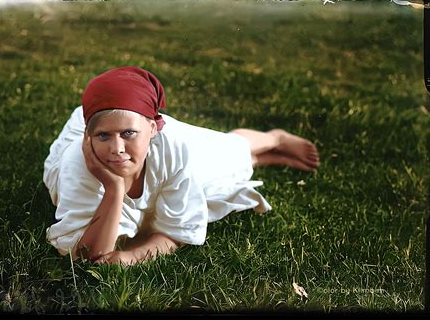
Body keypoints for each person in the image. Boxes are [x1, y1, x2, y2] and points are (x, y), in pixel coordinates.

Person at [43, 66, 320, 265]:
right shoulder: (77, 166)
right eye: (104, 136)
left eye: (128, 134)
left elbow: (177, 231)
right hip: (100, 119)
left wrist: (131, 256)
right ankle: (259, 158)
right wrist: (114, 189)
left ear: (152, 128)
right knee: (219, 176)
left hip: (148, 133)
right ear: (89, 138)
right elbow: (87, 254)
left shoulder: (171, 145)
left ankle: (273, 138)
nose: (116, 149)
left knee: (229, 154)